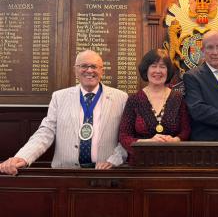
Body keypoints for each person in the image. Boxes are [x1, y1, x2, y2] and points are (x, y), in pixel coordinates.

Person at [0, 50, 128, 175]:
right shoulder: (59, 97)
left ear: (102, 71)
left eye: (94, 66)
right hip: (65, 175)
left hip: (105, 175)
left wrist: (114, 161)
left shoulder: (121, 98)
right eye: (83, 66)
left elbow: (127, 136)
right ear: (75, 71)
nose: (89, 70)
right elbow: (45, 132)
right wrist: (23, 157)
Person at [119, 49, 190, 164]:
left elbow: (186, 131)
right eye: (153, 66)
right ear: (146, 69)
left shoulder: (178, 98)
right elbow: (124, 136)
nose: (158, 71)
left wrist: (175, 140)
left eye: (162, 67)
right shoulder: (134, 100)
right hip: (140, 165)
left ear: (168, 71)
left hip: (173, 164)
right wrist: (147, 142)